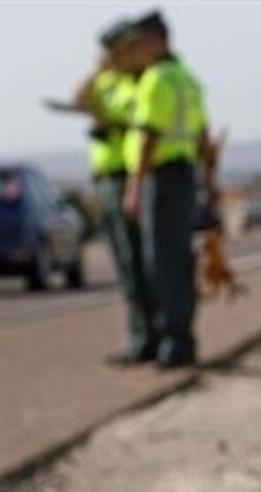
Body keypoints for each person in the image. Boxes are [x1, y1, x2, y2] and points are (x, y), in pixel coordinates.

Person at [122, 10, 214, 368]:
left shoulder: (157, 80)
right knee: (179, 259)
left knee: (161, 262)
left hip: (161, 179)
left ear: (157, 41)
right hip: (184, 176)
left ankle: (173, 341)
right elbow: (204, 136)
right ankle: (181, 337)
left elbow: (148, 137)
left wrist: (133, 188)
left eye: (140, 44)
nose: (137, 52)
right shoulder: (187, 79)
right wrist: (208, 182)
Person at [74, 19, 158, 365]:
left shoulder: (135, 85)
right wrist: (97, 71)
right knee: (127, 265)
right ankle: (141, 334)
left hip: (127, 178)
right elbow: (80, 100)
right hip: (107, 179)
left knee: (137, 262)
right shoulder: (109, 81)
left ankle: (147, 337)